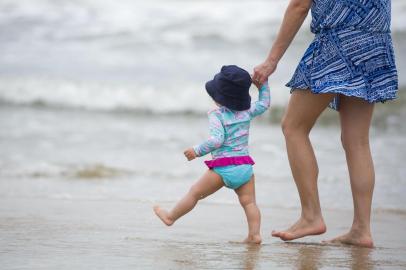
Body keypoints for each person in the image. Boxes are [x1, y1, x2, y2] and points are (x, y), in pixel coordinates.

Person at [253, 0, 398, 248]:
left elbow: (299, 5)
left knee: (294, 127)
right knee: (357, 141)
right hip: (375, 44)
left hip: (338, 42)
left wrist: (271, 60)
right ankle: (362, 229)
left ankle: (311, 216)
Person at [154, 65, 271, 244]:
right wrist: (263, 85)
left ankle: (170, 217)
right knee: (249, 203)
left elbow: (217, 140)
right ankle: (254, 235)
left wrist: (197, 150)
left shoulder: (216, 114)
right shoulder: (247, 112)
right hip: (245, 167)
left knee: (194, 193)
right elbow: (264, 104)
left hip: (224, 167)